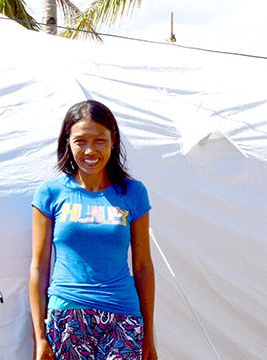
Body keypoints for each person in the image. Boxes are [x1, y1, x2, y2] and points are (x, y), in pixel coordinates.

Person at [29, 100, 157, 360]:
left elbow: (143, 266)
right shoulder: (51, 193)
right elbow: (39, 268)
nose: (90, 150)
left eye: (99, 140)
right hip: (68, 313)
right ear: (68, 142)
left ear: (113, 140)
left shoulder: (133, 193)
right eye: (80, 141)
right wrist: (40, 337)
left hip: (123, 316)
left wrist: (148, 337)